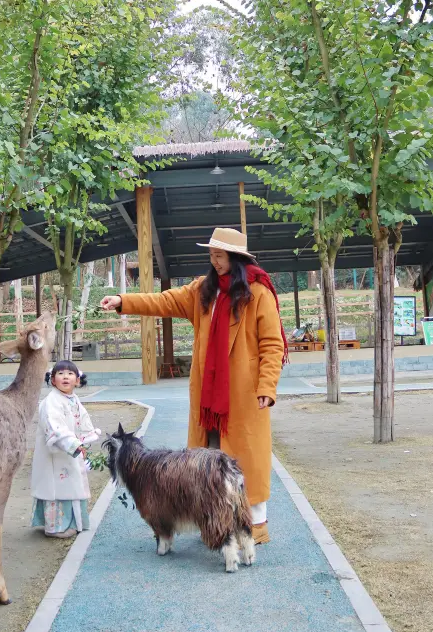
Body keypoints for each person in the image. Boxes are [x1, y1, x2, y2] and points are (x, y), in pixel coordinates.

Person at [101, 227, 288, 545]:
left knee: (246, 466)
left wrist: (267, 388)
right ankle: (215, 523)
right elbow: (164, 301)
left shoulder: (259, 293)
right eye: (212, 255)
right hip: (207, 399)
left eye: (220, 256)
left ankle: (254, 527)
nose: (214, 261)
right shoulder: (203, 291)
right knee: (206, 464)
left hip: (242, 399)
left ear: (236, 258)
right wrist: (123, 301)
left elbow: (272, 345)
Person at [31, 360, 100, 539]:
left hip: (69, 449)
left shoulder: (72, 399)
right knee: (57, 486)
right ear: (53, 380)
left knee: (71, 483)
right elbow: (55, 427)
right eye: (60, 374)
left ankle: (71, 522)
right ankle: (55, 527)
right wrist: (72, 443)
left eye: (70, 374)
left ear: (77, 380)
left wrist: (82, 441)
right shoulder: (51, 401)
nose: (65, 377)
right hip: (55, 452)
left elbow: (82, 420)